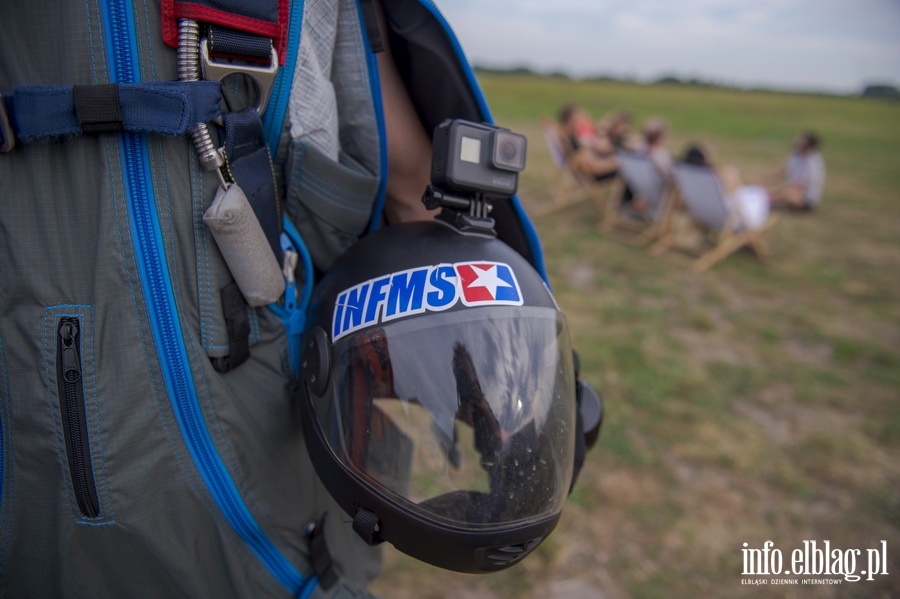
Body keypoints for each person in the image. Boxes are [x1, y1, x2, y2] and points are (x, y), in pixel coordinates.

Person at [679, 143, 770, 230]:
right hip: (726, 219)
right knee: (759, 195)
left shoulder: (683, 175)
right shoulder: (713, 175)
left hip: (700, 214)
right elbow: (735, 194)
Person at [556, 103, 618, 182]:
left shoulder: (568, 137)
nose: (578, 123)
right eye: (575, 119)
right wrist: (613, 163)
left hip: (589, 167)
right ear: (569, 120)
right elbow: (590, 165)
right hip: (591, 175)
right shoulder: (567, 140)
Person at [766, 131, 826, 210]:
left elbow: (801, 185)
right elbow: (782, 172)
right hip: (793, 190)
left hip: (806, 198)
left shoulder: (814, 162)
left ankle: (766, 203)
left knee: (787, 194)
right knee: (772, 192)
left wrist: (778, 193)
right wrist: (764, 181)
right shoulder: (796, 155)